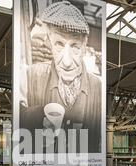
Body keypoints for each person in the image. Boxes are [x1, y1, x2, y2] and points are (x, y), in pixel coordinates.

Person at [19, 1, 102, 154]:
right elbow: (19, 116)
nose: (67, 62)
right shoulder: (31, 76)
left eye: (75, 46)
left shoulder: (98, 87)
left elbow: (99, 141)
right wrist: (38, 115)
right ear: (50, 43)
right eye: (58, 44)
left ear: (84, 46)